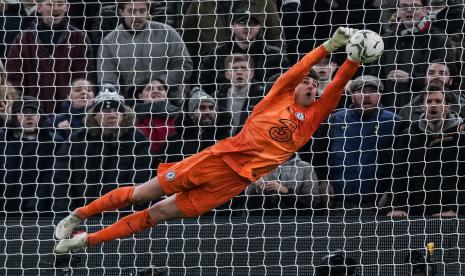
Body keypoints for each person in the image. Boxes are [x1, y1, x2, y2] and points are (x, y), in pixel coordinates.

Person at [53, 27, 361, 253]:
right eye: (306, 83)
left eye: (314, 85)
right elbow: (296, 70)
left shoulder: (314, 116)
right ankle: (78, 216)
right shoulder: (276, 99)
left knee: (156, 214)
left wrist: (355, 59)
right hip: (217, 159)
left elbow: (339, 84)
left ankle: (84, 241)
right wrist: (329, 46)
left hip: (233, 183)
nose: (310, 86)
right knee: (141, 194)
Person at [54, 90, 154, 211]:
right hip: (82, 212)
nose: (112, 114)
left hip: (122, 214)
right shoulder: (77, 139)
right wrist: (68, 214)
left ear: (124, 115)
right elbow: (61, 178)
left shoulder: (138, 140)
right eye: (106, 111)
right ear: (95, 115)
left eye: (117, 110)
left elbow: (140, 181)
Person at [312, 75, 398, 214]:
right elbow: (319, 154)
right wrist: (323, 180)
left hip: (377, 205)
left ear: (380, 95)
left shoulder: (394, 122)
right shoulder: (335, 119)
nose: (367, 95)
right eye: (362, 91)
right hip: (338, 203)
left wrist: (390, 193)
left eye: (372, 91)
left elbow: (401, 163)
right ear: (352, 95)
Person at [5, 0, 96, 114]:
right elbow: (13, 80)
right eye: (50, 4)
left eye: (60, 4)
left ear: (67, 7)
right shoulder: (23, 39)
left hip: (69, 115)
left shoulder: (79, 38)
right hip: (32, 113)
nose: (56, 8)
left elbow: (85, 76)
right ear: (39, 8)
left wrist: (73, 111)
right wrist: (23, 108)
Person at [387, 85, 465, 217]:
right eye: (429, 101)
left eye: (438, 101)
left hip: (453, 212)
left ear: (448, 106)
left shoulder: (461, 135)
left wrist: (456, 209)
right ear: (422, 107)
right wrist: (399, 206)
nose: (433, 105)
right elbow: (399, 173)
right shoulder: (409, 134)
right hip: (417, 211)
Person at [98, 0, 193, 105]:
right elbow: (107, 81)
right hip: (132, 108)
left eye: (142, 11)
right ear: (121, 11)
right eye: (132, 11)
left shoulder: (167, 32)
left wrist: (161, 82)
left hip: (171, 104)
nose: (137, 16)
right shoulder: (109, 42)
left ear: (148, 11)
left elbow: (184, 64)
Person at [198, 6, 289, 95]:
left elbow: (286, 85)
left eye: (252, 23)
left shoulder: (275, 56)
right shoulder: (215, 55)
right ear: (231, 27)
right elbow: (202, 87)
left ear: (258, 27)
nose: (248, 27)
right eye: (242, 23)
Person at [0, 96, 65, 214]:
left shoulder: (54, 144)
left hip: (42, 212)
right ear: (15, 116)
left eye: (34, 112)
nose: (29, 116)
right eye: (24, 112)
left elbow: (53, 179)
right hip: (6, 210)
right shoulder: (3, 142)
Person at [164, 87, 231, 162]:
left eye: (211, 108)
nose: (207, 112)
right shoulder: (174, 142)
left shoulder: (226, 139)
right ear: (191, 114)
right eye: (202, 108)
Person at [245, 153, 321, 216]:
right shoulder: (257, 167)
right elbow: (246, 209)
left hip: (297, 224)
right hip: (263, 225)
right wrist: (258, 191)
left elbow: (314, 205)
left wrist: (285, 191)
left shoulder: (305, 167)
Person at [216, 54, 266, 134]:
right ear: (227, 74)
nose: (239, 72)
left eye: (244, 68)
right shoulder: (217, 97)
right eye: (234, 69)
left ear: (252, 74)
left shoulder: (263, 96)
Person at [133, 79, 180, 156]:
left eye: (160, 89)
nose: (155, 91)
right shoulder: (131, 119)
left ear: (166, 94)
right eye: (149, 89)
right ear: (140, 96)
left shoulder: (179, 116)